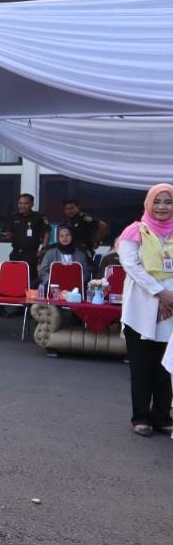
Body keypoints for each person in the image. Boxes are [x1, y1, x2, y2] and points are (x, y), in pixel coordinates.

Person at [117, 183, 173, 437]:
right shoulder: (134, 232)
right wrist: (161, 294)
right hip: (141, 309)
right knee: (142, 367)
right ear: (149, 204)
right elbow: (132, 267)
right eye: (158, 201)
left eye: (168, 202)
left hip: (170, 310)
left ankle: (162, 416)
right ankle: (141, 416)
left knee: (166, 367)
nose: (162, 207)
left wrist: (170, 299)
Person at [6, 193, 50, 284]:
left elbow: (47, 233)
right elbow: (9, 233)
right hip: (16, 253)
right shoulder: (14, 217)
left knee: (30, 279)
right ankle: (16, 296)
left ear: (32, 204)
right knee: (15, 278)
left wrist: (43, 249)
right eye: (20, 203)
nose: (22, 206)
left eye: (26, 203)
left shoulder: (39, 217)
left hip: (31, 254)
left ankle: (29, 297)